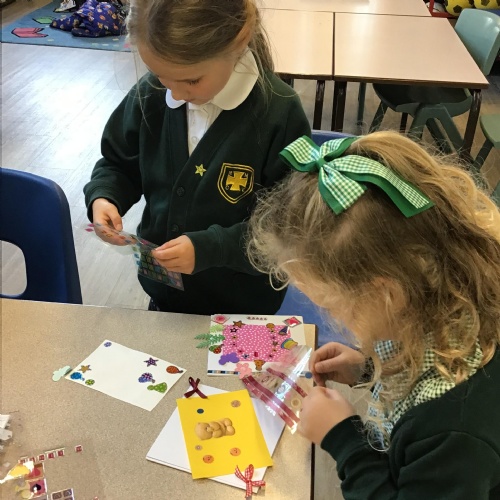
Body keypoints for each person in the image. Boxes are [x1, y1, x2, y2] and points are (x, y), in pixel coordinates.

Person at [247, 131, 500, 498]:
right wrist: (370, 368)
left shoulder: (452, 433)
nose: (330, 316)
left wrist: (343, 440)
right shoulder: (454, 295)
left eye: (330, 304)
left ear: (387, 295)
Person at [83, 0, 311, 315]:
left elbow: (287, 229)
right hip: (166, 300)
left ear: (239, 40)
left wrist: (211, 249)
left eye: (191, 81)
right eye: (159, 74)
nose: (176, 94)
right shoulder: (151, 94)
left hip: (242, 310)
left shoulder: (279, 114)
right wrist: (105, 196)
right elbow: (118, 163)